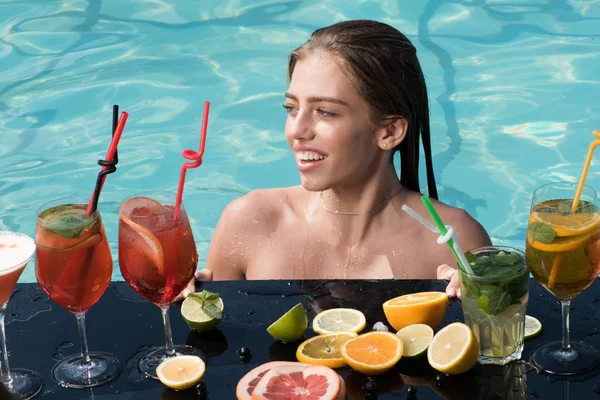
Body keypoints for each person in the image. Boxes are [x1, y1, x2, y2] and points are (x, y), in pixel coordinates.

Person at [179, 19, 490, 300]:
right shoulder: (249, 222)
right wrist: (186, 303)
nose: (296, 131)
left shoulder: (453, 238)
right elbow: (220, 350)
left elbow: (500, 343)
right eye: (291, 108)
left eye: (325, 112)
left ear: (390, 131)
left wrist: (485, 303)